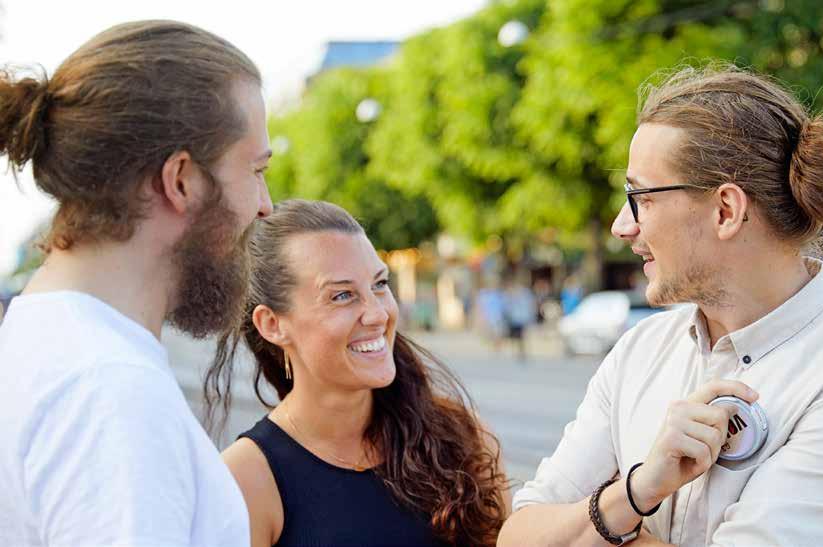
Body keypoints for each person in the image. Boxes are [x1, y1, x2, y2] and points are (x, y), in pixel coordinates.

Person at [499, 65, 823, 546]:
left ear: (726, 211)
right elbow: (518, 537)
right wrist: (637, 491)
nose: (620, 227)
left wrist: (598, 531)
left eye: (639, 197)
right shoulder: (640, 350)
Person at [0, 20, 273, 546]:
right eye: (256, 170)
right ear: (181, 181)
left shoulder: (43, 338)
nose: (265, 205)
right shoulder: (110, 391)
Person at [207, 199, 509, 547]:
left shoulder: (464, 438)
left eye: (380, 285)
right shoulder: (246, 480)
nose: (378, 314)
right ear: (272, 324)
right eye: (343, 295)